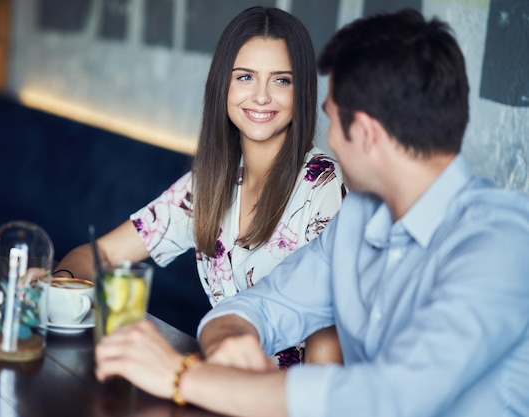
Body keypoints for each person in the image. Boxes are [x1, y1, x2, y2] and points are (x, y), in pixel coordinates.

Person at [93, 8, 529, 417]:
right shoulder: (360, 217)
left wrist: (181, 375)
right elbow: (262, 305)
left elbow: (387, 398)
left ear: (366, 133)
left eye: (332, 120)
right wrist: (231, 337)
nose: (329, 141)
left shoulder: (504, 244)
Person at [54, 6, 345, 366]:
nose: (261, 96)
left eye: (281, 80)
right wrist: (55, 287)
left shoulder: (324, 185)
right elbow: (104, 255)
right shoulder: (209, 181)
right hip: (222, 386)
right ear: (222, 82)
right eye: (245, 77)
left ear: (301, 90)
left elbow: (327, 348)